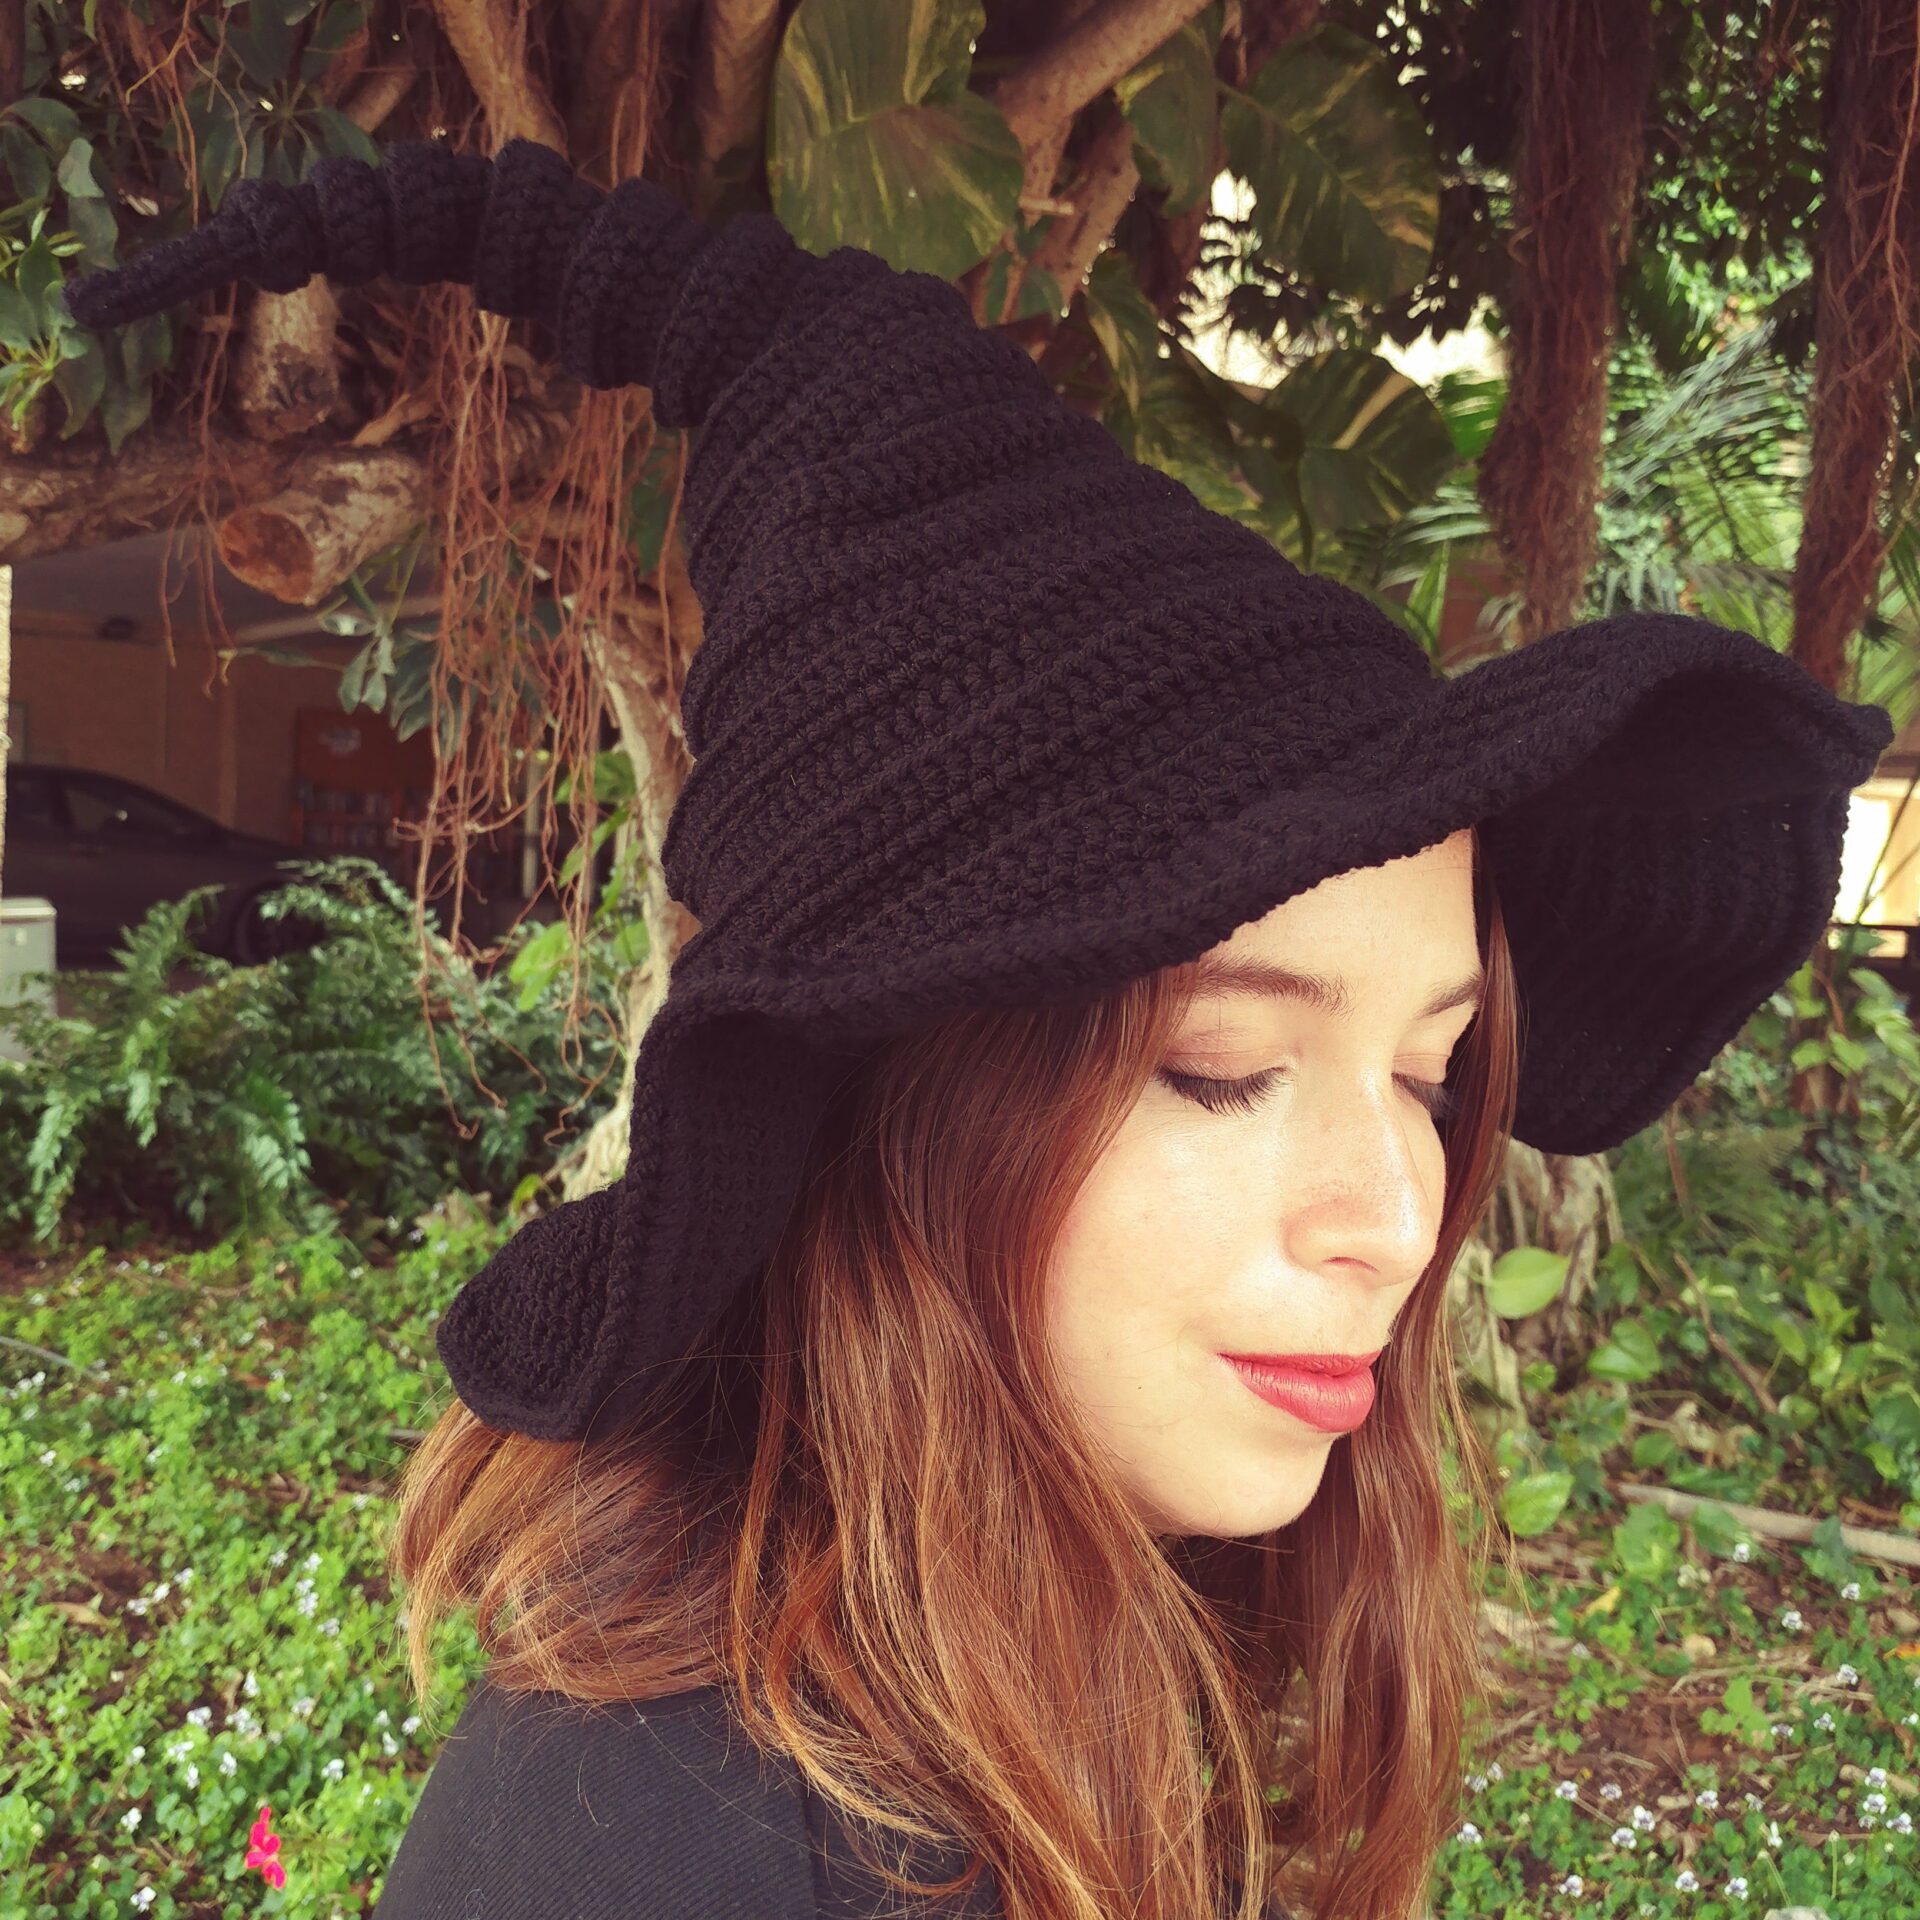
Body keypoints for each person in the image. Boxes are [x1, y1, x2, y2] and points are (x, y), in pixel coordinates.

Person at [64, 137, 1893, 1920]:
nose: (1401, 1220)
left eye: (1429, 1071)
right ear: (880, 1089)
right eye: (1225, 1070)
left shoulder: (1067, 1614)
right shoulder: (670, 1842)